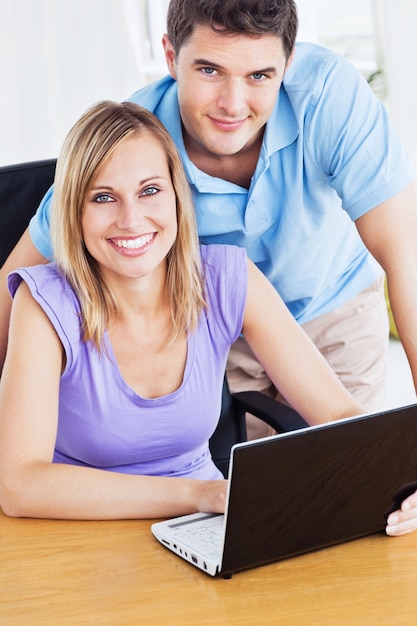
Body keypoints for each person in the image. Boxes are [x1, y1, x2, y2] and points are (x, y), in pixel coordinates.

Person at [1, 0, 417, 434]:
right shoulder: (135, 145)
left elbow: (405, 258)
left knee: (352, 480)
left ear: (288, 65)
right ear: (171, 58)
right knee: (258, 492)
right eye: (209, 70)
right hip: (225, 337)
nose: (233, 105)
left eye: (259, 75)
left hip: (336, 310)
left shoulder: (329, 96)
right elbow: (17, 283)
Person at [0, 100, 365, 521]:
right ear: (73, 212)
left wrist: (397, 474)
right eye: (103, 197)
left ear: (177, 195)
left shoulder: (227, 277)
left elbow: (339, 413)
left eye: (150, 190)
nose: (131, 219)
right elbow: (21, 485)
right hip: (80, 527)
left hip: (207, 525)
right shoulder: (44, 304)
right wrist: (197, 495)